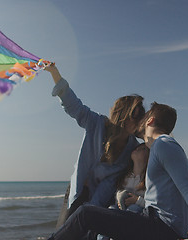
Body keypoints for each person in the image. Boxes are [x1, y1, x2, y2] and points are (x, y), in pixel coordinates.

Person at [48, 102, 188, 240]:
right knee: (100, 218)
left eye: (143, 118)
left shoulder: (164, 145)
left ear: (150, 120)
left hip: (162, 227)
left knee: (85, 214)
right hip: (154, 222)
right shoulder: (157, 148)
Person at [44, 63, 146, 228]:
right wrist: (55, 73)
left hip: (100, 199)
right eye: (136, 116)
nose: (139, 121)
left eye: (141, 117)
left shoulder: (132, 148)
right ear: (123, 116)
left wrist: (92, 208)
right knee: (63, 232)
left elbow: (111, 183)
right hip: (77, 192)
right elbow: (73, 105)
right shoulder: (96, 123)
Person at [97, 143, 149, 240]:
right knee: (110, 209)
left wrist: (137, 200)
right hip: (121, 209)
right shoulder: (125, 176)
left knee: (134, 208)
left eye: (143, 149)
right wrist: (119, 196)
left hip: (137, 215)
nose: (138, 148)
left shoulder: (148, 180)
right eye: (137, 147)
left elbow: (152, 204)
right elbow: (118, 193)